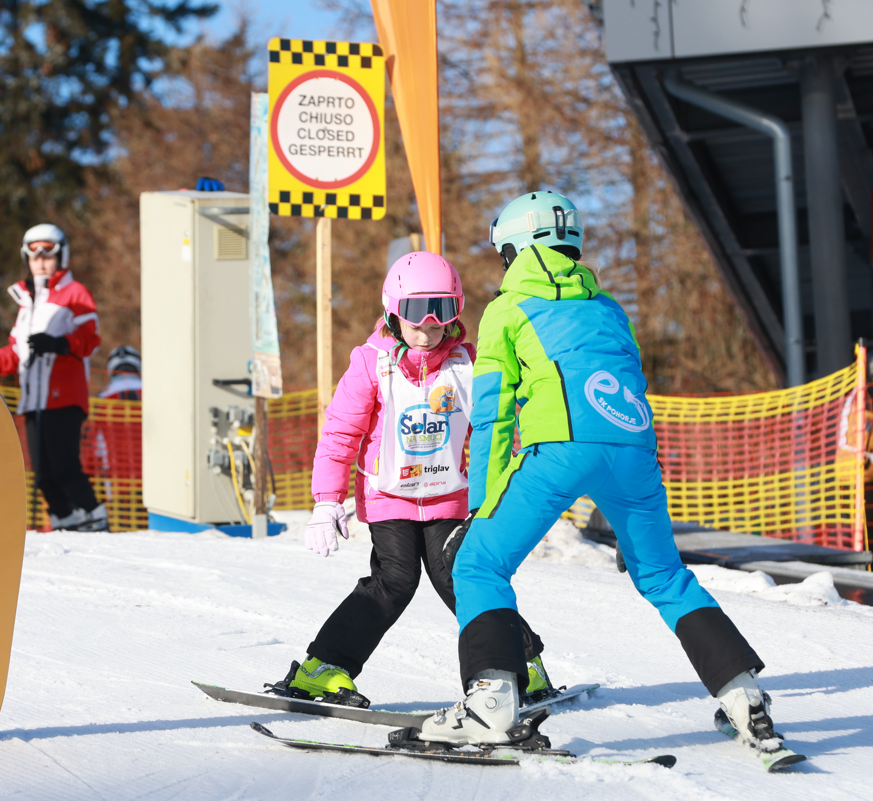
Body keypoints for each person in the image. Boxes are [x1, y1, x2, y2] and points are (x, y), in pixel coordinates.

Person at [418, 191, 777, 753]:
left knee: (479, 563)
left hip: (559, 447)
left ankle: (489, 703)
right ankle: (743, 696)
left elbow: (491, 413)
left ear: (515, 248)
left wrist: (479, 509)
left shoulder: (509, 310)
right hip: (632, 450)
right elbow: (633, 384)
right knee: (663, 576)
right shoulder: (609, 307)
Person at [266, 252, 554, 708]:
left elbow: (498, 429)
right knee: (395, 580)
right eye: (418, 311)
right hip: (389, 496)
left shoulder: (468, 364)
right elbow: (341, 432)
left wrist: (505, 490)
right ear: (394, 312)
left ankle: (517, 667)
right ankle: (324, 668)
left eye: (443, 309)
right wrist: (326, 501)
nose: (430, 324)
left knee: (462, 577)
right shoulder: (370, 363)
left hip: (448, 496)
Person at [0, 223, 107, 532]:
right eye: (34, 253)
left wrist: (61, 343)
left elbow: (90, 338)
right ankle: (65, 521)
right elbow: (16, 353)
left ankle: (94, 517)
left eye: (48, 252)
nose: (41, 260)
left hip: (64, 395)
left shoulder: (74, 294)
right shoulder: (27, 303)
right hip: (33, 400)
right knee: (42, 473)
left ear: (62, 256)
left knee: (65, 466)